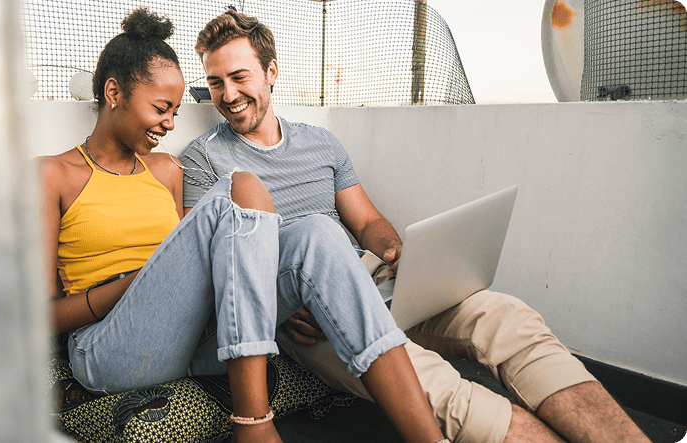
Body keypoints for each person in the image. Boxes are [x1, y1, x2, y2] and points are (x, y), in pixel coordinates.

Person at [179, 8, 652, 443]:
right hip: (305, 312)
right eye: (215, 82)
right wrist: (284, 306)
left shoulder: (321, 143)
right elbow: (219, 265)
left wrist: (395, 252)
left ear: (271, 72)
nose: (228, 95)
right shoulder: (203, 159)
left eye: (239, 77)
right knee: (440, 384)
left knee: (507, 318)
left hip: (374, 278)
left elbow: (367, 220)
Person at [40, 8, 445, 443]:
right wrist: (136, 284)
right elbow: (41, 317)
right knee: (242, 186)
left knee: (317, 233)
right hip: (108, 347)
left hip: (192, 340)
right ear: (114, 91)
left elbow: (196, 268)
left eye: (176, 111)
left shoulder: (167, 171)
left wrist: (163, 280)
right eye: (161, 108)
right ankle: (253, 422)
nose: (170, 125)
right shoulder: (52, 175)